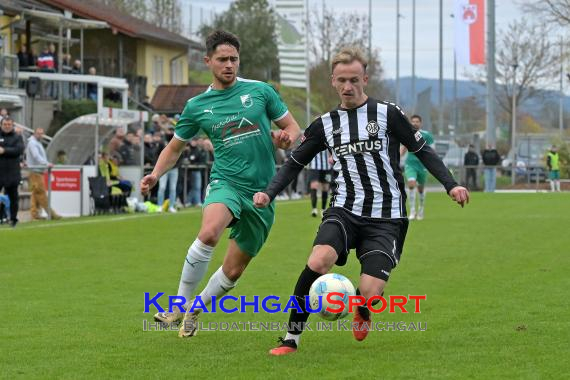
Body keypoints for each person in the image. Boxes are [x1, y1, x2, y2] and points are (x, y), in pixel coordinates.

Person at [252, 47, 469, 355]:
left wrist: (451, 185)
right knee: (318, 261)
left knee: (370, 291)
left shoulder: (388, 114)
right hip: (344, 209)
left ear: (365, 78)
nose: (348, 86)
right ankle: (291, 338)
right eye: (341, 80)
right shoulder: (325, 124)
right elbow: (294, 163)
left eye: (354, 79)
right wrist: (268, 192)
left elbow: (423, 151)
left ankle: (363, 308)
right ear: (333, 81)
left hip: (387, 216)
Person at [140, 30, 301, 337]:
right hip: (225, 181)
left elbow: (292, 128)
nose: (229, 64)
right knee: (209, 232)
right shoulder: (197, 106)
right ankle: (177, 306)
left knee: (233, 271)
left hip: (263, 193)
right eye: (223, 59)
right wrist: (155, 174)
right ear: (208, 61)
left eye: (234, 59)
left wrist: (286, 139)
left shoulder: (260, 92)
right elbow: (174, 148)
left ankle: (195, 310)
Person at [400, 114, 434, 220]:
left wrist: (431, 164)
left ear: (420, 123)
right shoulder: (408, 134)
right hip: (410, 164)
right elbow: (404, 148)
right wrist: (396, 158)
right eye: (413, 121)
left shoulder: (427, 135)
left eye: (417, 121)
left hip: (422, 165)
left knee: (420, 189)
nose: (415, 123)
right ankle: (412, 211)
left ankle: (421, 209)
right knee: (411, 184)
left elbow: (432, 151)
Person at [25, 128, 62, 220]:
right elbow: (36, 156)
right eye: (38, 133)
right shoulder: (33, 143)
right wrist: (46, 164)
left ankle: (35, 214)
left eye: (41, 133)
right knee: (41, 193)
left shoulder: (37, 142)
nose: (40, 135)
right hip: (35, 171)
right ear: (34, 133)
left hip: (38, 171)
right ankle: (51, 214)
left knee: (35, 193)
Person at [0, 117, 25, 227]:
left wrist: (4, 150)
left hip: (12, 173)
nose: (7, 126)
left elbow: (18, 150)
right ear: (1, 125)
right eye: (5, 124)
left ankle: (13, 219)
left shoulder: (17, 137)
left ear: (12, 125)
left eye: (9, 124)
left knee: (13, 197)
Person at [308, 150, 333, 217]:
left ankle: (323, 209)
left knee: (325, 188)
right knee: (314, 186)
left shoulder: (328, 139)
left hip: (327, 167)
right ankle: (314, 209)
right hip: (314, 166)